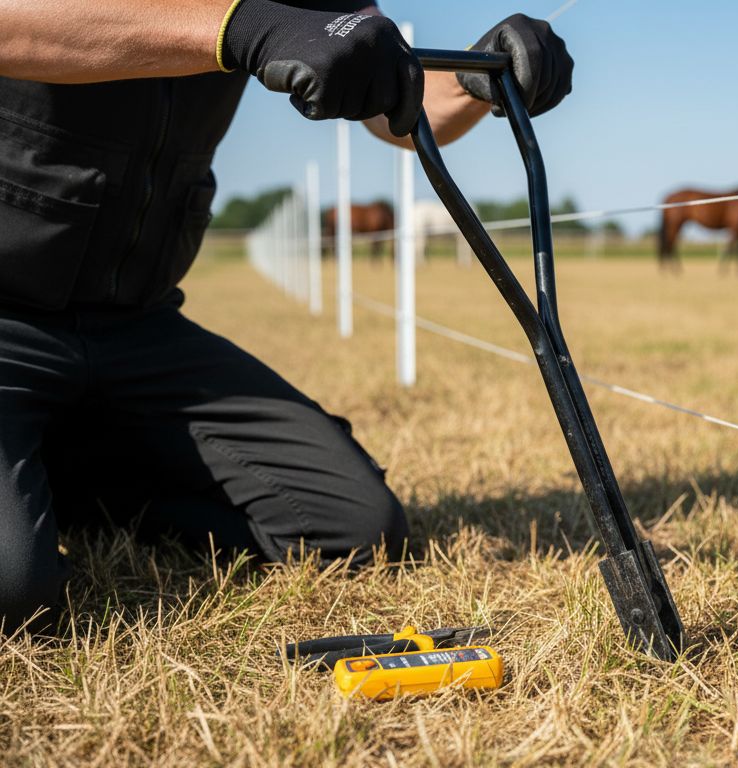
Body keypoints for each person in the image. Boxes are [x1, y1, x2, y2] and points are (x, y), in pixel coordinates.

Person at [0, 2, 573, 631]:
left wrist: (475, 76)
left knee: (356, 528)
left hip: (135, 324)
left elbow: (403, 109)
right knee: (15, 592)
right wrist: (244, 28)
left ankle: (54, 474)